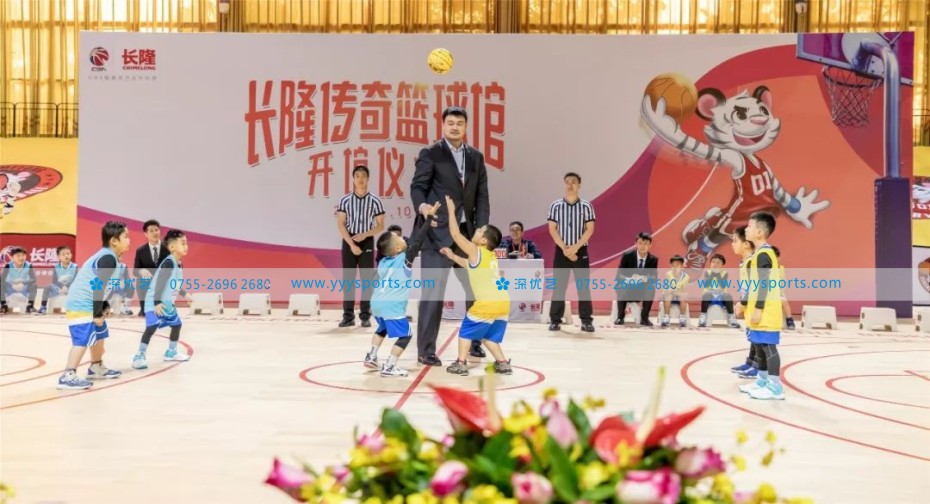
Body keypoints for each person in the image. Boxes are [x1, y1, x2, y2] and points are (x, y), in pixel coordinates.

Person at [410, 106, 490, 366]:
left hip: (467, 236)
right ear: (443, 125)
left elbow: (482, 196)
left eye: (460, 123)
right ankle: (426, 350)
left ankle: (474, 342)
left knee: (476, 290)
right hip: (437, 233)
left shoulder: (475, 157)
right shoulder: (431, 153)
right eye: (450, 123)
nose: (455, 127)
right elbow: (418, 187)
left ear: (466, 127)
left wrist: (481, 228)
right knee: (433, 294)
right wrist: (423, 208)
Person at [365, 203, 440, 377]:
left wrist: (421, 216)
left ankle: (371, 356)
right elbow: (418, 239)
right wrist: (427, 218)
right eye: (398, 238)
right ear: (398, 249)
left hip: (376, 304)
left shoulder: (383, 262)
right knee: (406, 335)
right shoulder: (405, 258)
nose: (402, 237)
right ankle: (390, 366)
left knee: (383, 328)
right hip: (392, 306)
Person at [439, 196, 512, 376]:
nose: (477, 230)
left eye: (480, 230)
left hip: (487, 303)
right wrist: (452, 256)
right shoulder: (489, 257)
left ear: (484, 241)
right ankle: (502, 363)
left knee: (465, 332)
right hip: (503, 303)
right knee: (489, 336)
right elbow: (468, 265)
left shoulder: (476, 250)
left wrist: (451, 211)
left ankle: (461, 363)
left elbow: (456, 235)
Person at [57, 221, 130, 390]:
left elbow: (100, 285)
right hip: (81, 303)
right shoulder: (108, 258)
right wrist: (97, 313)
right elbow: (98, 285)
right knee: (82, 339)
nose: (129, 240)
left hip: (90, 301)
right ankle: (67, 375)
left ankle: (96, 366)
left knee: (99, 333)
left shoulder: (111, 258)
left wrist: (103, 306)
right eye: (126, 236)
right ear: (114, 241)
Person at [738, 212, 785, 400]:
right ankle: (762, 381)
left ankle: (775, 387)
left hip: (766, 311)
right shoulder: (758, 254)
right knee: (759, 346)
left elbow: (764, 284)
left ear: (759, 232)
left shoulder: (764, 254)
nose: (746, 229)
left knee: (768, 347)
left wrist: (758, 308)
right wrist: (744, 303)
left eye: (749, 226)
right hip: (759, 310)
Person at [132, 229, 193, 369]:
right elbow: (159, 282)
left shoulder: (178, 264)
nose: (186, 246)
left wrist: (185, 294)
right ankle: (139, 356)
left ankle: (171, 352)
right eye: (183, 243)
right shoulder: (168, 263)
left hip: (167, 303)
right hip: (155, 302)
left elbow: (173, 284)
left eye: (186, 243)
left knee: (176, 325)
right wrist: (156, 302)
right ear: (172, 247)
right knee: (151, 328)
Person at [336, 165, 385, 328]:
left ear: (368, 178)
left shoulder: (375, 201)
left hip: (367, 241)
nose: (360, 179)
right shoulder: (345, 200)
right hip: (349, 240)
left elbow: (380, 226)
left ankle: (365, 316)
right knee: (348, 279)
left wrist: (365, 235)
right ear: (353, 179)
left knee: (367, 281)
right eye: (357, 176)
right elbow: (341, 224)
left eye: (363, 176)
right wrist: (351, 244)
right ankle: (348, 316)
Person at [547, 173, 596, 332]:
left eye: (573, 182)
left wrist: (575, 248)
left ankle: (586, 321)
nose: (570, 185)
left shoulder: (586, 206)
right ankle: (555, 320)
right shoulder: (555, 205)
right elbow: (552, 229)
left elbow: (590, 229)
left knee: (583, 286)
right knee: (559, 286)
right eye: (567, 182)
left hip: (580, 250)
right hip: (561, 250)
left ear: (579, 185)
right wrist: (565, 249)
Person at [730, 226, 759, 378]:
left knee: (758, 338)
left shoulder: (751, 262)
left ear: (746, 244)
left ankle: (758, 367)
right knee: (753, 337)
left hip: (754, 307)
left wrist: (742, 302)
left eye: (735, 241)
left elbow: (754, 287)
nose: (732, 244)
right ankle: (750, 363)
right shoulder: (745, 262)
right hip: (749, 306)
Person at [615, 232, 658, 326]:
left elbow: (654, 277)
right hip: (627, 288)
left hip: (641, 290)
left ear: (650, 245)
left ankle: (644, 318)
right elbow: (619, 275)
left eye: (646, 243)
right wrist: (629, 279)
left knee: (651, 287)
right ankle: (620, 317)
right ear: (636, 244)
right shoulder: (627, 255)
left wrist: (643, 278)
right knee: (621, 285)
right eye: (640, 243)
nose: (642, 246)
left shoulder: (653, 259)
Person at [133, 219, 167, 316]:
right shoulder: (141, 250)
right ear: (145, 234)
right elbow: (135, 271)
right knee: (141, 279)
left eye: (156, 230)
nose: (155, 233)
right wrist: (141, 270)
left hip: (163, 280)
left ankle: (164, 307)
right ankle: (144, 308)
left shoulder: (168, 247)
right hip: (148, 280)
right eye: (151, 231)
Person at [698, 254, 740, 328]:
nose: (715, 264)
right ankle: (703, 317)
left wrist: (717, 274)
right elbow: (707, 284)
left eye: (718, 263)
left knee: (728, 296)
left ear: (722, 265)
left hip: (721, 296)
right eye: (713, 262)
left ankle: (731, 318)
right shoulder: (707, 272)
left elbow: (722, 285)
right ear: (710, 264)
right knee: (706, 295)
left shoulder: (725, 273)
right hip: (710, 296)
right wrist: (713, 273)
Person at [38, 246, 77, 315]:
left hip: (71, 288)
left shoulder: (75, 266)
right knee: (48, 286)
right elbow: (54, 280)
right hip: (59, 288)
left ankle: (76, 308)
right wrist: (62, 287)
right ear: (59, 257)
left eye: (68, 253)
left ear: (71, 255)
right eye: (63, 254)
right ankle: (43, 306)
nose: (66, 256)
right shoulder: (56, 267)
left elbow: (75, 280)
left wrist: (67, 287)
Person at [0, 246, 37, 314]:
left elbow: (33, 279)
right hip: (10, 287)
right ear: (12, 257)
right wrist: (11, 284)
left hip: (24, 287)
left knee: (34, 285)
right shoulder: (8, 266)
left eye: (23, 255)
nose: (21, 258)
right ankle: (3, 305)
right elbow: (2, 279)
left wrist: (23, 282)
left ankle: (30, 306)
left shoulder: (29, 265)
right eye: (18, 256)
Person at [661, 255, 690, 327]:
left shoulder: (686, 276)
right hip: (670, 293)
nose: (675, 267)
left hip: (679, 294)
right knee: (667, 295)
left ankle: (682, 317)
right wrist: (671, 291)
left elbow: (684, 290)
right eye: (673, 265)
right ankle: (666, 316)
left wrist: (677, 292)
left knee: (684, 296)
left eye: (677, 265)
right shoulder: (668, 274)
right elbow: (666, 288)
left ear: (682, 266)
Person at [771, 246, 796, 329]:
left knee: (784, 301)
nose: (777, 259)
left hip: (779, 293)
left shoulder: (781, 268)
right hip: (768, 293)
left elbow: (782, 283)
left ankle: (789, 319)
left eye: (777, 257)